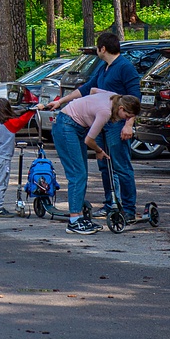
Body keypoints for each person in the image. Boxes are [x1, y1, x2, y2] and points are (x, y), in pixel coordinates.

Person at [46, 32, 141, 219]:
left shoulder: (125, 67)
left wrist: (128, 124)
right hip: (101, 122)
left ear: (102, 48)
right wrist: (61, 101)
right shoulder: (104, 67)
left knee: (121, 166)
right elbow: (87, 89)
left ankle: (129, 209)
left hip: (116, 123)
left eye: (97, 48)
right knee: (104, 164)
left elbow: (135, 99)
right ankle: (110, 203)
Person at [42, 91, 141, 235]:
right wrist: (99, 150)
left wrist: (85, 106)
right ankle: (74, 221)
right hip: (66, 126)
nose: (125, 120)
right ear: (121, 109)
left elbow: (93, 90)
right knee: (77, 174)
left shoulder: (114, 96)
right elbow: (89, 141)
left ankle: (79, 217)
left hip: (74, 126)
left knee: (81, 174)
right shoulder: (105, 112)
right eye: (127, 117)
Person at [0, 99, 36, 217]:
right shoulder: (10, 124)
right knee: (2, 183)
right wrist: (32, 111)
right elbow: (21, 121)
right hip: (4, 157)